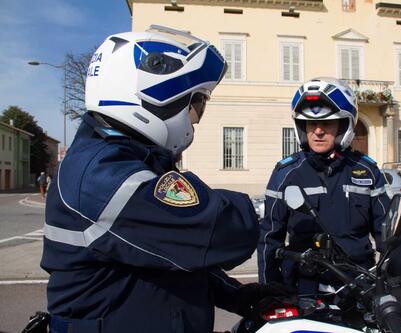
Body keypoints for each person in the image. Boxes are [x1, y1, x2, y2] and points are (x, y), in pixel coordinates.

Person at [41, 26, 284, 333]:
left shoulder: (126, 161)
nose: (195, 117)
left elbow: (162, 256)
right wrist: (269, 207)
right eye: (195, 104)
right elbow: (212, 228)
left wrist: (236, 294)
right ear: (156, 94)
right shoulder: (100, 175)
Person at [257, 78, 390, 294]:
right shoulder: (286, 174)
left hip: (358, 286)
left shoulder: (368, 171)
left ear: (343, 126)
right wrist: (268, 292)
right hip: (304, 287)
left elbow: (387, 236)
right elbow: (269, 239)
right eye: (311, 124)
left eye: (326, 123)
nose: (318, 131)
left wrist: (391, 285)